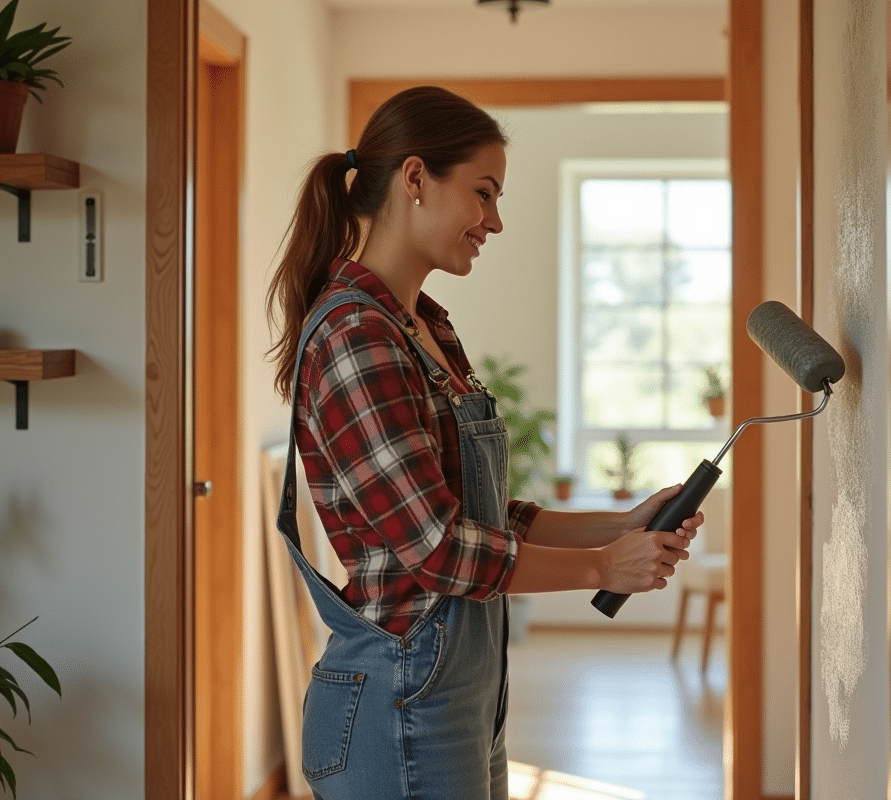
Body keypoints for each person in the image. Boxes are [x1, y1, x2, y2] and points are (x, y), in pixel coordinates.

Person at [267, 86, 701, 800]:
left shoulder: (427, 328)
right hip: (401, 699)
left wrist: (623, 524)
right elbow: (437, 547)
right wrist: (600, 565)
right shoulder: (357, 335)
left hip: (458, 693)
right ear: (415, 180)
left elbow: (482, 515)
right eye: (484, 193)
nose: (495, 221)